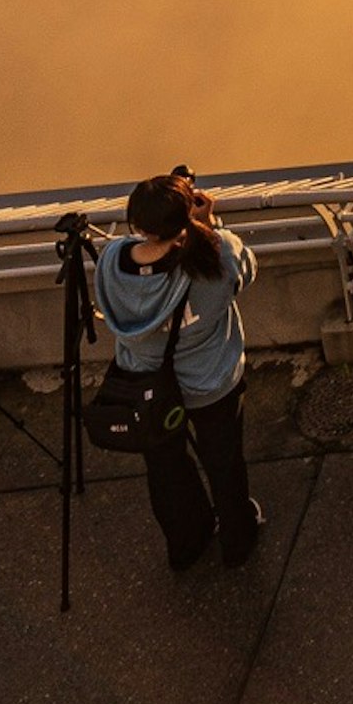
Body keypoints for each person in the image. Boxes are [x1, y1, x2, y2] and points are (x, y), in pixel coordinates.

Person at [94, 168, 263, 570]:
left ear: (137, 223)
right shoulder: (218, 253)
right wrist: (209, 226)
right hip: (211, 383)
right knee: (223, 463)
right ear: (188, 214)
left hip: (146, 389)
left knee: (166, 470)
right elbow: (247, 273)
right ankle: (237, 540)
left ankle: (188, 544)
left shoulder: (111, 262)